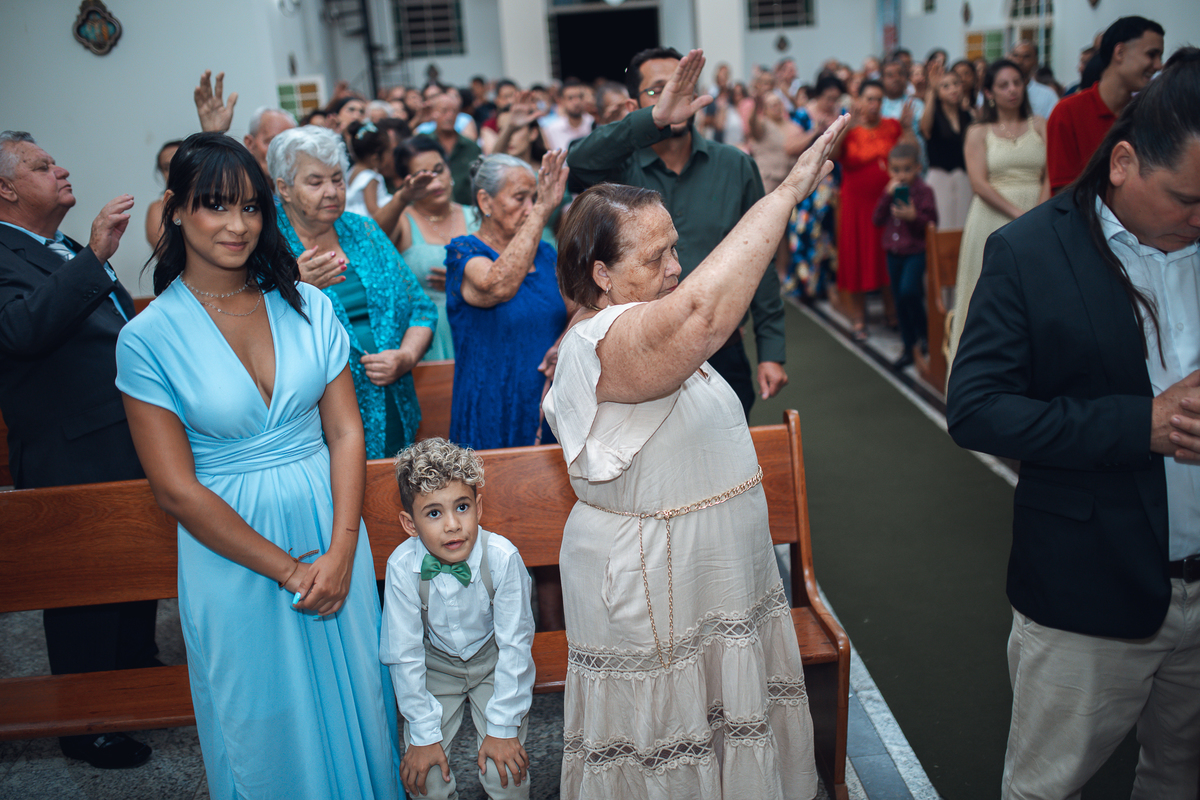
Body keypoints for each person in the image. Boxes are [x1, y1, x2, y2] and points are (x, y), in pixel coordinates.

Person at [545, 51, 843, 798]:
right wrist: (788, 192)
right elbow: (704, 315)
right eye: (657, 257)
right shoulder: (596, 342)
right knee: (667, 754)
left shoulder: (642, 317)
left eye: (676, 248)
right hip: (656, 593)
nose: (676, 268)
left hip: (714, 585)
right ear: (602, 274)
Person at [946, 48, 1200, 799]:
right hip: (1091, 583)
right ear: (1123, 163)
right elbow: (977, 408)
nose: (1199, 218)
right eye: (1186, 199)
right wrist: (1138, 424)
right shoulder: (1031, 251)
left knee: (1179, 778)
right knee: (1047, 788)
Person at [114, 131, 400, 798]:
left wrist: (341, 552)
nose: (237, 225)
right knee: (262, 723)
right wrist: (293, 570)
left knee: (360, 699)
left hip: (333, 532)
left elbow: (345, 431)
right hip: (233, 552)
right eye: (215, 205)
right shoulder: (147, 338)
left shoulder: (308, 305)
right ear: (176, 211)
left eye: (249, 207)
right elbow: (175, 490)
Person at [0, 131, 159, 769]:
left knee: (134, 569)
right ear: (5, 189)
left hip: (122, 434)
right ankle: (86, 723)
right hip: (69, 451)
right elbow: (20, 331)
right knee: (86, 592)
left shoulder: (60, 246)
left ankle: (136, 676)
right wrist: (93, 256)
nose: (61, 169)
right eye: (42, 166)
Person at [567, 46, 788, 418]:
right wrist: (653, 119)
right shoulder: (617, 168)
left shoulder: (734, 165)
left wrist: (771, 350)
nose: (675, 95)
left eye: (683, 85)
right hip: (637, 349)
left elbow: (759, 259)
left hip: (720, 347)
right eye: (658, 89)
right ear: (634, 104)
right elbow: (577, 162)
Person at [381, 438, 535, 800]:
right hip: (434, 666)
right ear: (410, 524)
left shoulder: (502, 558)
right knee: (426, 779)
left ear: (478, 508)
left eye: (462, 507)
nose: (452, 525)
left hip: (495, 661)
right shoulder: (402, 567)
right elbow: (403, 654)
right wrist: (423, 735)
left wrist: (502, 729)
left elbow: (515, 646)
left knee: (504, 771)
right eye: (434, 513)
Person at [269, 125, 437, 459]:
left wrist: (406, 357)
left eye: (338, 179)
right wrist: (292, 287)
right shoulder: (267, 244)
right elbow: (249, 325)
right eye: (315, 182)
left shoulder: (364, 230)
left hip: (393, 401)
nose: (331, 191)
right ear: (284, 189)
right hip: (319, 423)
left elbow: (421, 307)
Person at [444, 152, 569, 451]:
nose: (530, 208)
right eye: (520, 198)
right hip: (491, 404)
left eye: (534, 198)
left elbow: (579, 309)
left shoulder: (546, 254)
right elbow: (497, 285)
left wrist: (560, 344)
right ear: (485, 202)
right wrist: (542, 209)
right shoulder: (464, 251)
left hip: (545, 401)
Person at [948, 59, 1049, 365]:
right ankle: (979, 366)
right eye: (1004, 85)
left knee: (1036, 292)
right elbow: (979, 183)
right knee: (985, 292)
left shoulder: (1040, 125)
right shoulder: (979, 131)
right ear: (989, 93)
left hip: (1039, 215)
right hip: (992, 216)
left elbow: (1050, 174)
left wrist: (1038, 214)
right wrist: (1019, 215)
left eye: (1017, 82)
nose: (1012, 90)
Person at [1046, 16, 1164, 192]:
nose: (1159, 65)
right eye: (1151, 55)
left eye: (1160, 57)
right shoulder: (1068, 112)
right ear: (1120, 52)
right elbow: (1063, 192)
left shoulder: (1147, 115)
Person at [392, 135, 483, 361]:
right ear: (406, 183)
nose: (435, 182)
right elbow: (371, 239)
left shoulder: (477, 216)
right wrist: (401, 199)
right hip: (427, 341)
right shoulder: (401, 222)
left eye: (439, 170)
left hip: (482, 327)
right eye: (422, 177)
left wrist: (466, 283)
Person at [831, 78, 909, 339]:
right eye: (869, 99)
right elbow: (832, 156)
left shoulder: (892, 126)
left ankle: (892, 313)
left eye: (878, 99)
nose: (874, 104)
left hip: (885, 204)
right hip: (855, 205)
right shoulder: (849, 127)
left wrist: (908, 129)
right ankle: (858, 318)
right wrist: (845, 129)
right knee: (855, 258)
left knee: (885, 257)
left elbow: (907, 155)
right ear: (859, 100)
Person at [872, 142, 937, 369]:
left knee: (910, 291)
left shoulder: (925, 191)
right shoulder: (889, 191)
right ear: (889, 169)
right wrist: (886, 195)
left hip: (915, 252)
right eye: (896, 170)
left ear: (918, 167)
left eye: (907, 169)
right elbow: (877, 219)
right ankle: (908, 346)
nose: (901, 175)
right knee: (899, 300)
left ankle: (924, 333)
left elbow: (931, 222)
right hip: (893, 252)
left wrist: (913, 216)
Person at [785, 74, 845, 301]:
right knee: (805, 231)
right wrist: (815, 132)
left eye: (836, 98)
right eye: (828, 98)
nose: (832, 103)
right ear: (818, 95)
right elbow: (790, 147)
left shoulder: (841, 114)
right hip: (809, 183)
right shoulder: (802, 115)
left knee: (829, 233)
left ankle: (828, 285)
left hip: (833, 183)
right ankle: (805, 285)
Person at [193, 70, 296, 181]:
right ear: (250, 143)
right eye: (271, 142)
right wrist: (213, 135)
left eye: (288, 144)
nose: (280, 151)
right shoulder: (237, 184)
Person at [920, 61, 974, 228]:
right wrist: (931, 91)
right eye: (945, 86)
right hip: (939, 177)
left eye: (956, 84)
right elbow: (925, 129)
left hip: (964, 177)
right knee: (941, 226)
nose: (953, 89)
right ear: (938, 91)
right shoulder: (933, 114)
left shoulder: (968, 115)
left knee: (964, 226)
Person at [145, 139, 182, 248]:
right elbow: (166, 252)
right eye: (167, 168)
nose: (174, 171)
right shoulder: (158, 209)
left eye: (179, 164)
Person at [1009, 41, 1059, 120]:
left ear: (1035, 61)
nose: (1019, 61)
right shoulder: (998, 93)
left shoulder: (1047, 95)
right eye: (1016, 56)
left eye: (1026, 57)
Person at [541, 78, 593, 151]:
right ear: (561, 101)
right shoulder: (552, 130)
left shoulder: (593, 123)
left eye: (580, 97)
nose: (576, 102)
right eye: (570, 98)